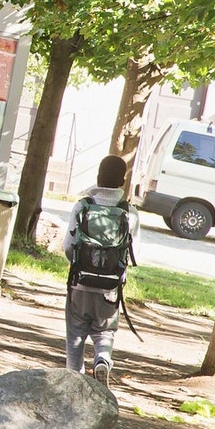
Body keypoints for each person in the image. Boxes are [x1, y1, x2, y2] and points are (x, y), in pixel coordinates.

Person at [63, 155, 139, 384]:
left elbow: (68, 246)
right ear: (122, 181)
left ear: (98, 176)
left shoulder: (83, 207)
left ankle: (75, 382)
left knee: (75, 336)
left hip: (80, 283)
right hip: (110, 288)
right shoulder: (129, 212)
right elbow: (135, 253)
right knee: (104, 332)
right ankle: (102, 360)